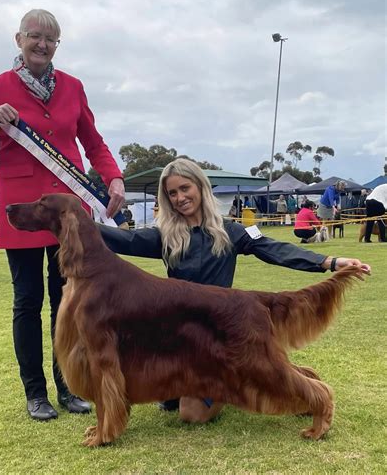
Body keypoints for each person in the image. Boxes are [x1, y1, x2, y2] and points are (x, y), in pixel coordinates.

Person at [0, 9, 125, 421]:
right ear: (18, 39)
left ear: (57, 45)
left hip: (67, 215)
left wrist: (113, 177)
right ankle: (35, 393)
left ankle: (69, 386)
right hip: (25, 214)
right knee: (28, 301)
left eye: (50, 39)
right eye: (34, 36)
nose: (42, 45)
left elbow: (93, 142)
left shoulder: (73, 87)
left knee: (69, 302)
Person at [98, 158, 371, 424]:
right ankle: (254, 375)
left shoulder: (232, 230)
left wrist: (328, 262)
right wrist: (78, 221)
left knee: (191, 414)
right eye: (172, 193)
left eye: (185, 188)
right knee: (169, 400)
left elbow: (274, 249)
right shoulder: (165, 236)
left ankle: (245, 377)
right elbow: (126, 240)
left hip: (224, 333)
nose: (180, 198)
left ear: (201, 187)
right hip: (182, 340)